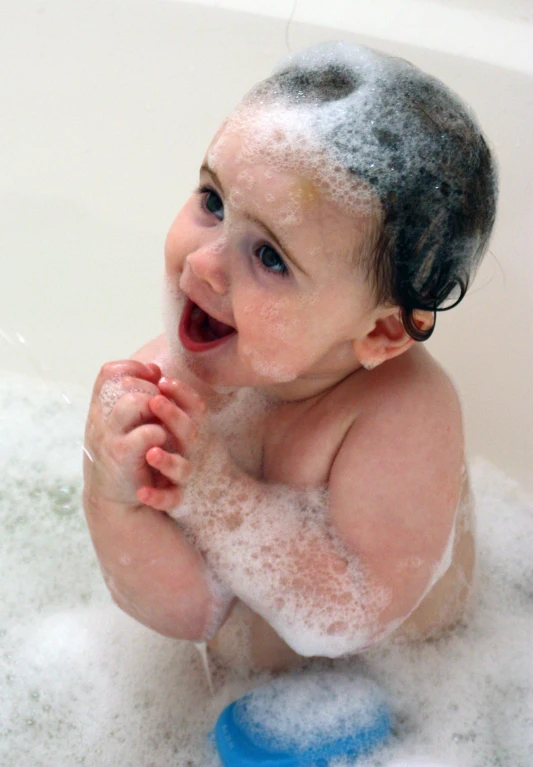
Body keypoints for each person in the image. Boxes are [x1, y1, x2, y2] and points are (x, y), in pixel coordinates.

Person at [83, 42, 497, 672]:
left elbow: (354, 613)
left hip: (403, 674)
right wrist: (111, 494)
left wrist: (217, 496)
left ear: (382, 332)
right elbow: (190, 612)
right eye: (213, 202)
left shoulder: (404, 417)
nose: (202, 263)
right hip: (262, 670)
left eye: (270, 257)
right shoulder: (178, 377)